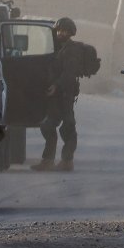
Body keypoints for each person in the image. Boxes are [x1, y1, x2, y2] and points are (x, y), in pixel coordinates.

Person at [31, 17, 83, 172]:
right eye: (59, 30)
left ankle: (67, 160)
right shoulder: (57, 48)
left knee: (67, 127)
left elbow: (69, 73)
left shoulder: (72, 50)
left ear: (70, 32)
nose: (61, 33)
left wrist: (56, 85)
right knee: (48, 125)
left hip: (66, 94)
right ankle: (48, 160)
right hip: (56, 95)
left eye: (64, 31)